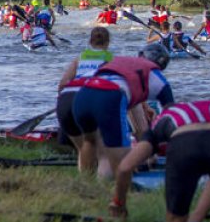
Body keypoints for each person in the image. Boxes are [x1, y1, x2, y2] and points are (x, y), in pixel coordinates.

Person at [57, 44, 174, 177]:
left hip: (70, 97)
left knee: (89, 144)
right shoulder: (156, 77)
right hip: (105, 94)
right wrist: (150, 154)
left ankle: (87, 186)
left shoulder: (117, 62)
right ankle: (110, 191)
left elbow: (65, 84)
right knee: (108, 155)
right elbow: (171, 118)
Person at [57, 27, 114, 169]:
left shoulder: (80, 58)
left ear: (90, 41)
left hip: (66, 100)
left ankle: (85, 180)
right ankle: (97, 179)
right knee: (96, 146)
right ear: (108, 43)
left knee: (83, 148)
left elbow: (63, 84)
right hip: (91, 99)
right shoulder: (111, 59)